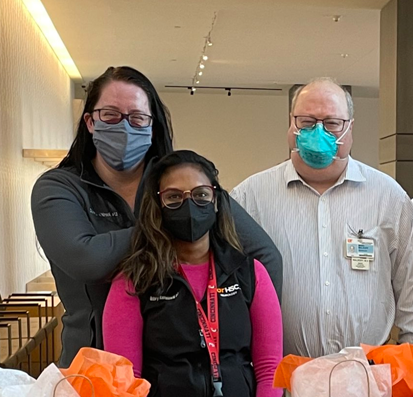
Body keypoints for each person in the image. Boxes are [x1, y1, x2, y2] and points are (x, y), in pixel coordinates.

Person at [31, 66, 282, 367]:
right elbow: (87, 260)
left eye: (137, 118)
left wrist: (251, 346)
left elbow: (265, 256)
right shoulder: (58, 188)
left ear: (152, 127)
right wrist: (165, 220)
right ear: (90, 122)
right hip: (95, 370)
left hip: (182, 374)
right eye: (110, 115)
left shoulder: (181, 184)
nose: (124, 127)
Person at [232, 77, 413, 397]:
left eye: (331, 123)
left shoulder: (388, 197)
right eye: (306, 123)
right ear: (290, 126)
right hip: (283, 395)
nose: (318, 132)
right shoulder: (251, 198)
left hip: (369, 390)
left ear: (350, 129)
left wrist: (406, 387)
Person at [103, 150, 283, 397]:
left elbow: (269, 369)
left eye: (200, 195)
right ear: (157, 207)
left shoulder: (249, 274)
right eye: (174, 197)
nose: (190, 206)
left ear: (216, 201)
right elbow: (126, 383)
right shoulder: (134, 281)